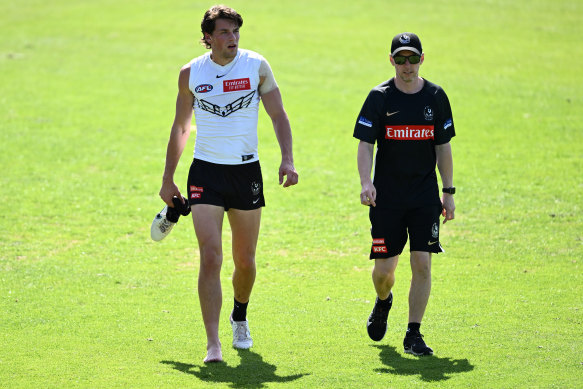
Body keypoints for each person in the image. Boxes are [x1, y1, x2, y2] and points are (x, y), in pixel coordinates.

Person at [157, 5, 298, 363]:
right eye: (223, 32)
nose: (231, 38)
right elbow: (181, 127)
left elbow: (278, 114)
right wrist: (168, 177)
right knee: (211, 257)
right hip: (205, 173)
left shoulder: (256, 66)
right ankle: (212, 344)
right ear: (207, 37)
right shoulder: (191, 72)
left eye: (235, 32)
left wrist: (287, 159)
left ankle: (240, 315)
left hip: (245, 172)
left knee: (245, 262)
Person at [354, 32, 456, 356]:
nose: (407, 65)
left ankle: (413, 333)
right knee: (384, 272)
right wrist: (365, 182)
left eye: (412, 58)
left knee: (422, 264)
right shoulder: (379, 97)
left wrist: (448, 191)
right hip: (387, 197)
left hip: (424, 196)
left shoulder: (436, 97)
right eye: (400, 59)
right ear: (392, 61)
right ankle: (383, 302)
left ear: (422, 59)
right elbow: (365, 144)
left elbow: (443, 147)